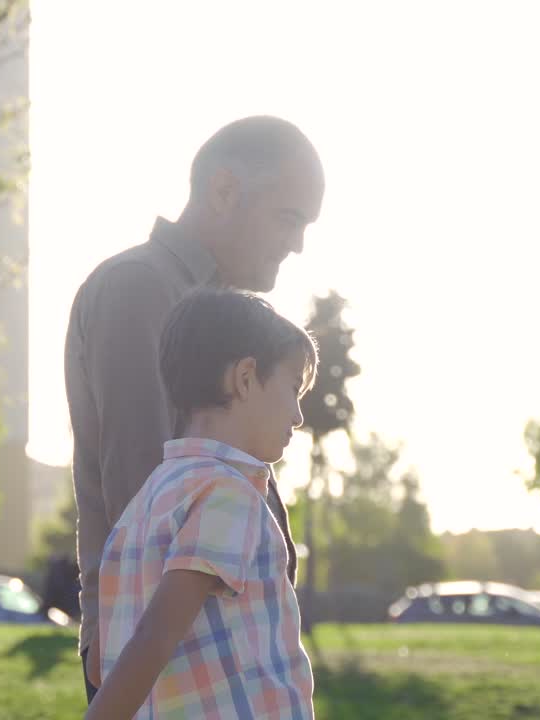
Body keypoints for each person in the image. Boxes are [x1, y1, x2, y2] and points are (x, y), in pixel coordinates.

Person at [64, 116, 325, 702]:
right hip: (176, 664)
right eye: (289, 217)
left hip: (203, 655)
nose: (298, 243)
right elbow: (145, 481)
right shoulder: (141, 289)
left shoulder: (208, 311)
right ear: (225, 190)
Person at [84, 289, 318, 719]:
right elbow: (155, 636)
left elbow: (104, 659)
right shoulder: (228, 493)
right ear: (245, 378)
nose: (298, 415)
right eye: (293, 388)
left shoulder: (147, 501)